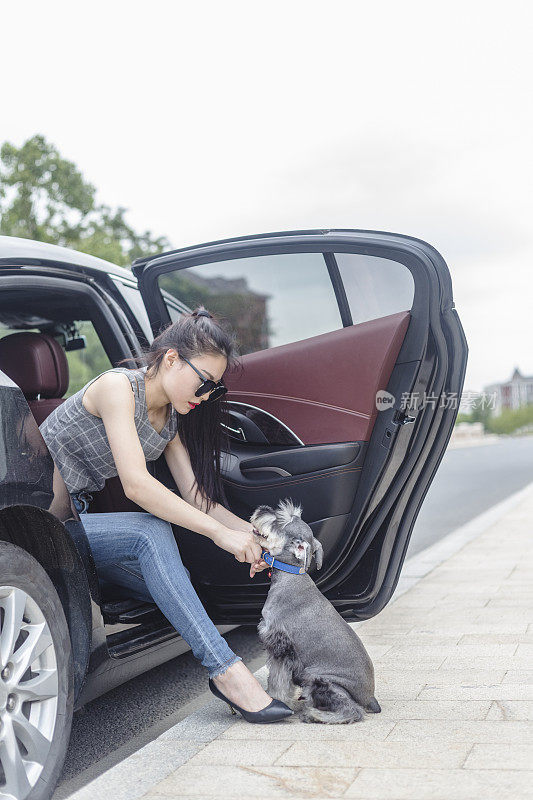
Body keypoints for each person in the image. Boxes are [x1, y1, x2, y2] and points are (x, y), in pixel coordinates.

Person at [38, 305, 293, 723]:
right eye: (204, 382)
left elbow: (199, 498)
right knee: (147, 534)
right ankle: (226, 671)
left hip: (77, 528)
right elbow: (137, 485)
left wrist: (255, 534)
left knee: (178, 583)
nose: (207, 395)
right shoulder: (117, 388)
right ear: (171, 358)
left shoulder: (169, 419)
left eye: (215, 389)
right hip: (40, 525)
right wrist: (218, 535)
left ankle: (210, 653)